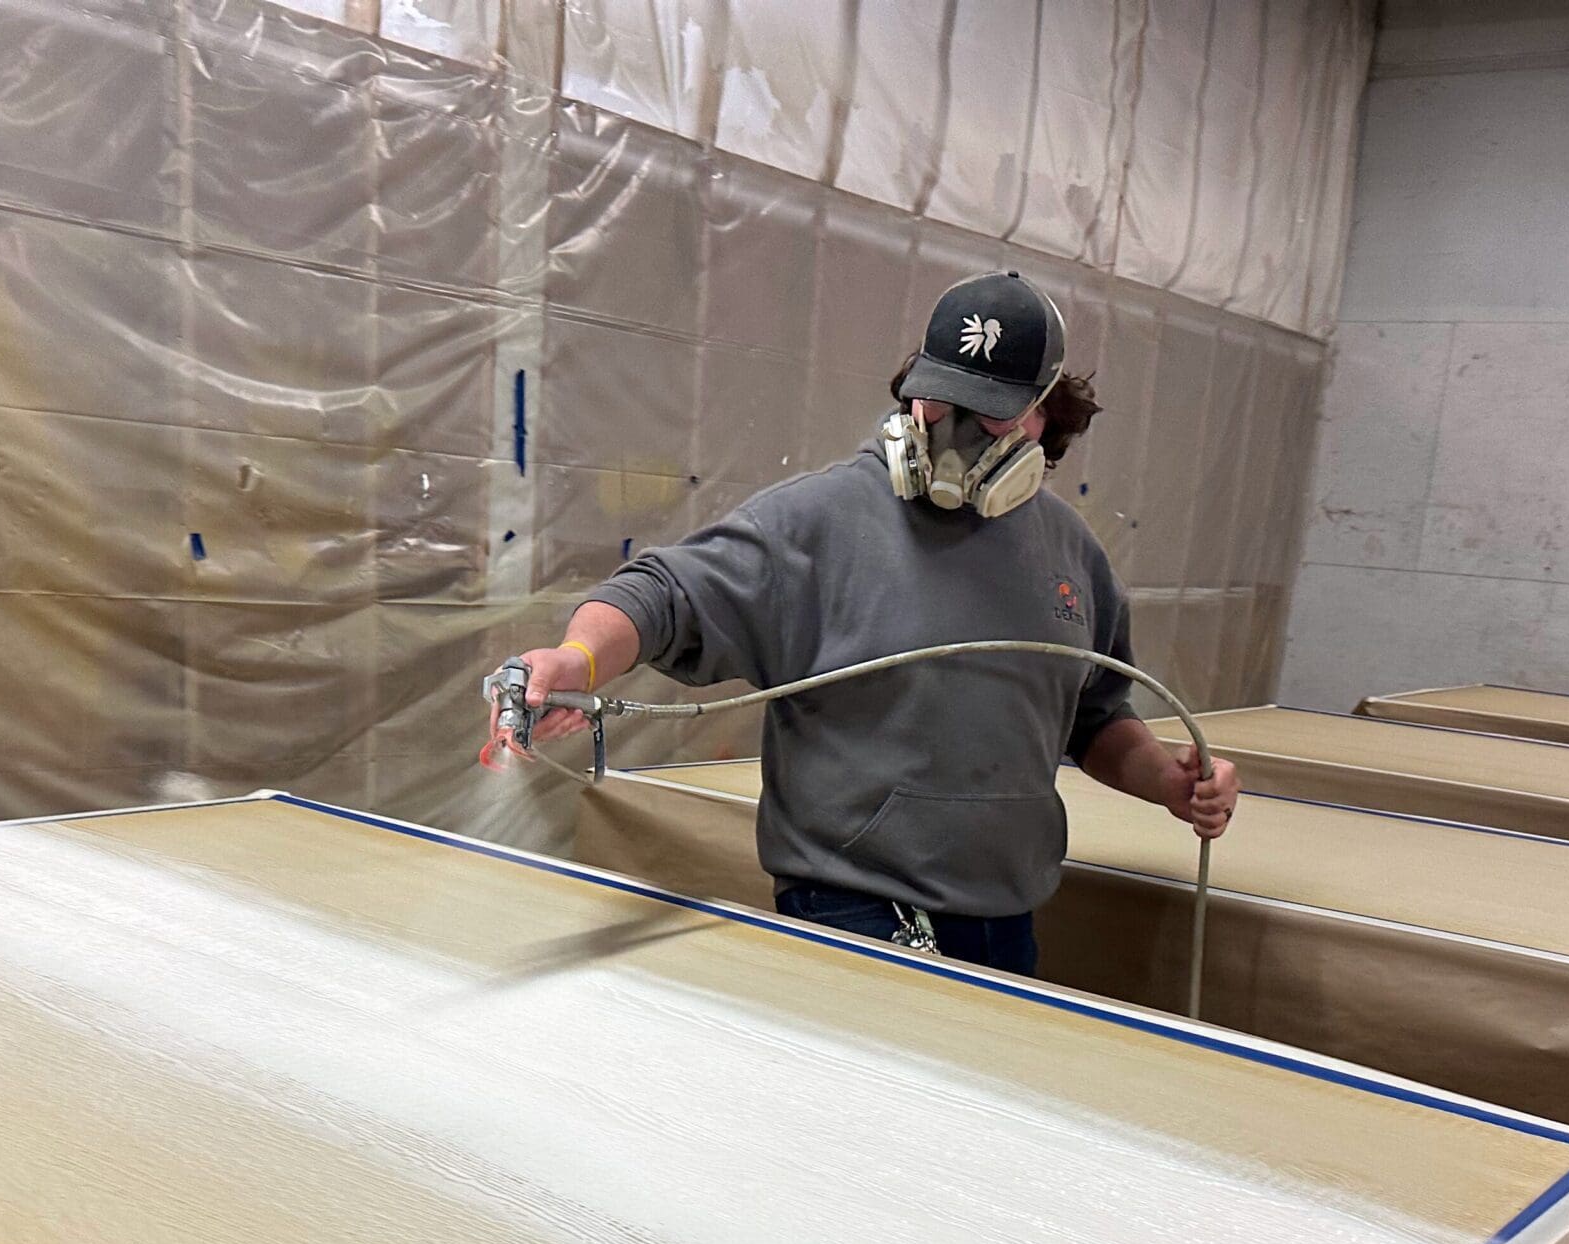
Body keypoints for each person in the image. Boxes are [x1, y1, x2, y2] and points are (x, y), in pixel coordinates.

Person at [488, 269, 1239, 976]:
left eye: (991, 411)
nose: (955, 432)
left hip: (1007, 920)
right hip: (853, 914)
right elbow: (662, 595)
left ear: (1047, 413)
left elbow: (1095, 718)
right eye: (939, 401)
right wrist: (578, 658)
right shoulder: (821, 522)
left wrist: (1167, 782)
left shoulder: (1071, 554)